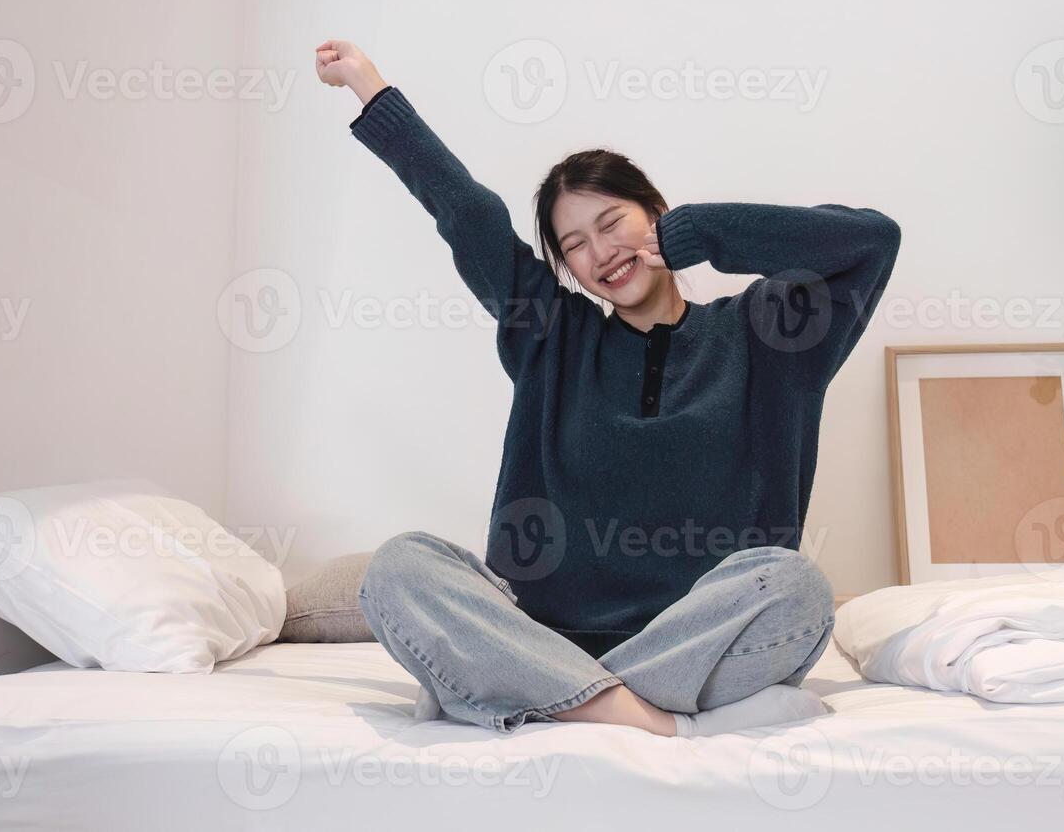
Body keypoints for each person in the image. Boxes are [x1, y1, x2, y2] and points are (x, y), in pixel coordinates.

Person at [313, 38, 902, 738]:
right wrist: (371, 88)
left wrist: (705, 231)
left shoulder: (768, 336)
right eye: (574, 245)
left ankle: (532, 696)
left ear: (655, 213)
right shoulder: (550, 334)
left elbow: (872, 243)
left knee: (796, 587)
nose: (601, 253)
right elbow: (468, 215)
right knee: (397, 569)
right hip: (543, 633)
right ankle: (641, 716)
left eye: (611, 222)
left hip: (696, 641)